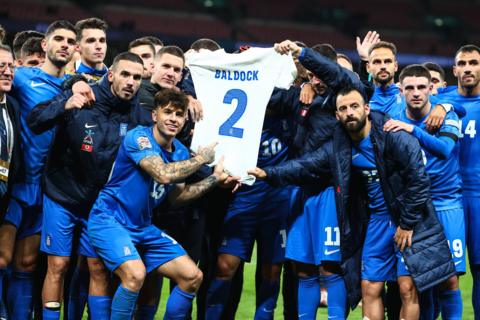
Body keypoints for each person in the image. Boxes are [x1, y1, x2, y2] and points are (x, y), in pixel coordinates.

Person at [249, 86, 456, 319]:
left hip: (407, 221)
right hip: (376, 223)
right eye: (343, 109)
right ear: (337, 115)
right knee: (369, 288)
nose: (349, 112)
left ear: (366, 109)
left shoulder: (393, 135)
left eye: (354, 106)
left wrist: (407, 224)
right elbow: (307, 165)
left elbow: (419, 181)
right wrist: (268, 173)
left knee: (407, 289)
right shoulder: (340, 145)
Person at [87, 88, 235, 319]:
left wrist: (214, 179)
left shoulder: (181, 152)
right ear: (155, 115)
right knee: (135, 275)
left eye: (179, 114)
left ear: (186, 120)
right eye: (167, 112)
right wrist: (201, 159)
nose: (173, 119)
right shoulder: (139, 137)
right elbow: (162, 174)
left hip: (142, 226)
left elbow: (178, 197)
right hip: (110, 219)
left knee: (192, 276)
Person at [27, 52, 145, 320]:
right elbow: (35, 121)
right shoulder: (82, 94)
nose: (131, 82)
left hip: (100, 205)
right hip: (63, 195)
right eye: (125, 74)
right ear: (111, 74)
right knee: (58, 264)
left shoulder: (138, 112)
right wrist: (64, 104)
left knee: (98, 268)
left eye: (137, 77)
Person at [0, 20, 79, 320]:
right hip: (16, 182)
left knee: (27, 265)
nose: (64, 44)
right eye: (58, 38)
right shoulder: (22, 77)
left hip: (48, 189)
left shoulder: (79, 86)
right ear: (44, 45)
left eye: (70, 41)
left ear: (74, 50)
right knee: (2, 259)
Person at [384, 64, 464, 319]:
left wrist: (413, 129)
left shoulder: (446, 114)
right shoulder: (393, 113)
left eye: (422, 87)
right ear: (401, 90)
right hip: (414, 209)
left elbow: (444, 149)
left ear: (432, 89)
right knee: (419, 283)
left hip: (446, 204)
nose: (416, 93)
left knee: (449, 281)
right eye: (410, 88)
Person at [437, 44, 480, 319]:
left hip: (478, 197)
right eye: (462, 64)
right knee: (442, 271)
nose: (468, 69)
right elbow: (397, 93)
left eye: (474, 63)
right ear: (454, 71)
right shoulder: (439, 98)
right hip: (445, 197)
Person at [0, 44, 23, 320]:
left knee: (4, 260)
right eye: (1, 67)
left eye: (10, 67)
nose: (7, 72)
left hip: (6, 193)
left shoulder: (11, 106)